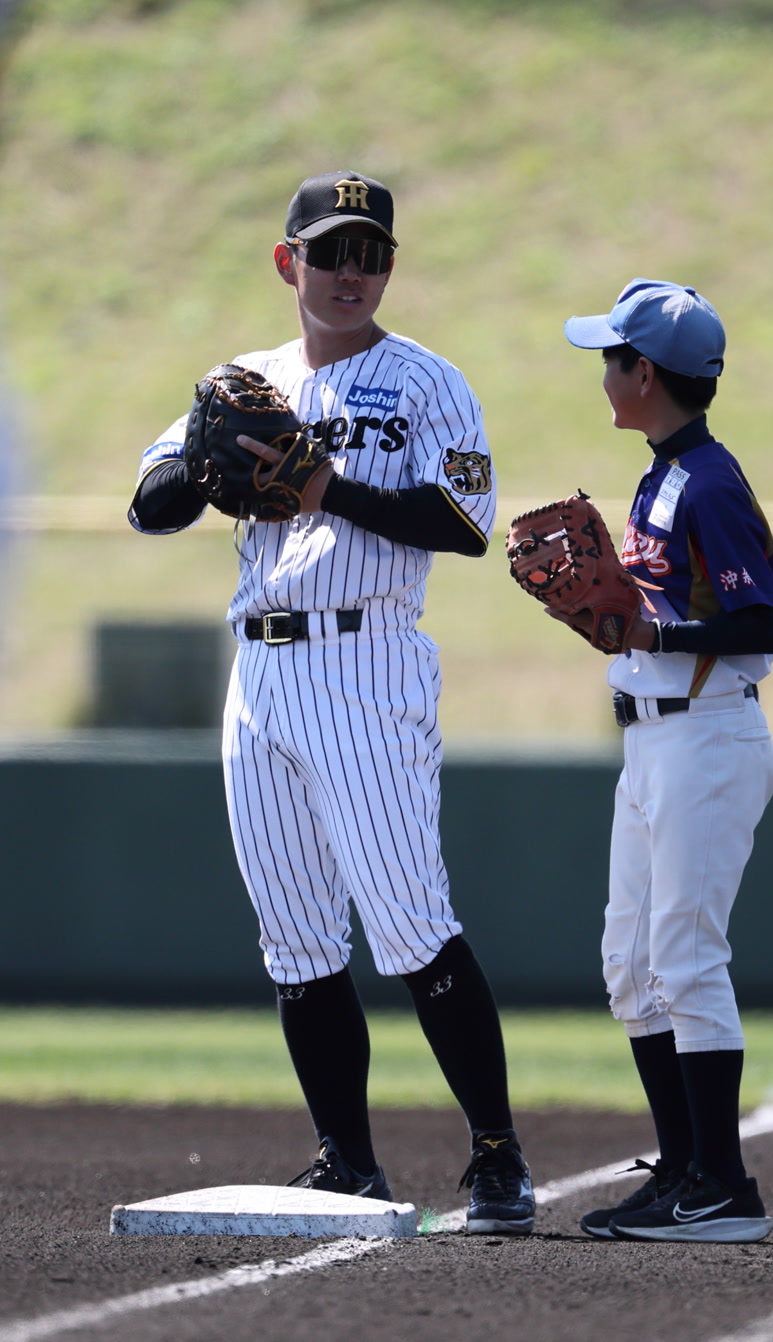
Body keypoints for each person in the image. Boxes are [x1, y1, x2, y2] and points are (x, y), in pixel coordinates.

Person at [128, 170, 534, 1235]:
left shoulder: (427, 381)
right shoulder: (245, 383)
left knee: (411, 921)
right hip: (259, 673)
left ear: (390, 267)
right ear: (287, 261)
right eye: (331, 251)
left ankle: (497, 1154)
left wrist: (325, 490)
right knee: (296, 937)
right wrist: (207, 469)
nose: (352, 272)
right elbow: (149, 503)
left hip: (367, 660)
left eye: (371, 254)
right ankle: (347, 1160)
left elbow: (464, 521)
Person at [560, 279, 773, 1243]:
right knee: (631, 965)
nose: (603, 372)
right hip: (654, 739)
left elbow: (762, 622)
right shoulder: (663, 473)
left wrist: (652, 633)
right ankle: (685, 1170)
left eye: (612, 357)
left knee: (686, 961)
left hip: (706, 735)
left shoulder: (709, 480)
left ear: (644, 373)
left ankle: (724, 1188)